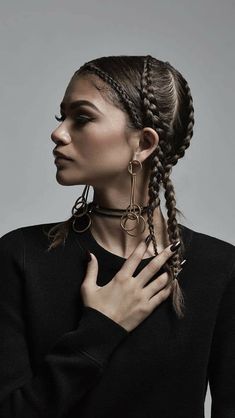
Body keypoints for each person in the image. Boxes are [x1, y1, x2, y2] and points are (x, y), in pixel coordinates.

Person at [0, 55, 234, 418]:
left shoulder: (219, 269)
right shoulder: (20, 257)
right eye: (61, 116)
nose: (58, 132)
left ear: (143, 143)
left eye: (81, 117)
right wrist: (101, 329)